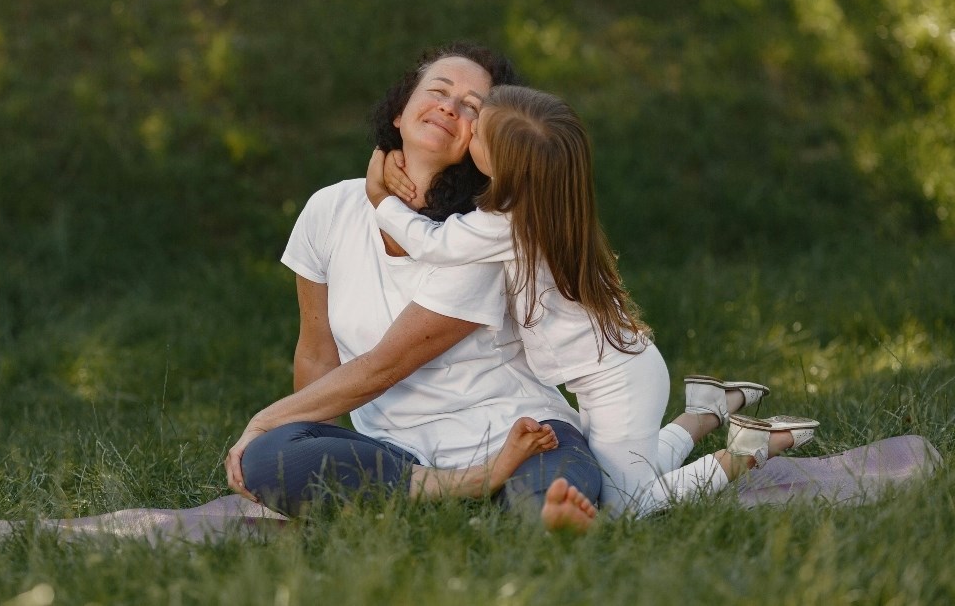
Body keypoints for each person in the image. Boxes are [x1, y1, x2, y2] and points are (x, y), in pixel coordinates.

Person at [366, 85, 820, 518]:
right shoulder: (549, 208)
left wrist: (381, 198)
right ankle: (705, 412)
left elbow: (435, 244)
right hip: (620, 375)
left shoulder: (510, 223)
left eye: (478, 131)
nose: (468, 131)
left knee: (628, 508)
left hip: (617, 387)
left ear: (506, 165)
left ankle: (748, 451)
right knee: (621, 473)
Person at [225, 44, 601, 531]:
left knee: (542, 505)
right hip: (397, 453)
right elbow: (317, 355)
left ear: (484, 141)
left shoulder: (482, 233)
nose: (449, 106)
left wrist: (263, 419)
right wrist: (300, 438)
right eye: (438, 91)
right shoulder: (330, 209)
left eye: (471, 107)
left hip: (523, 434)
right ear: (400, 113)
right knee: (271, 459)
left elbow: (384, 367)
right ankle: (467, 487)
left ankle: (507, 502)